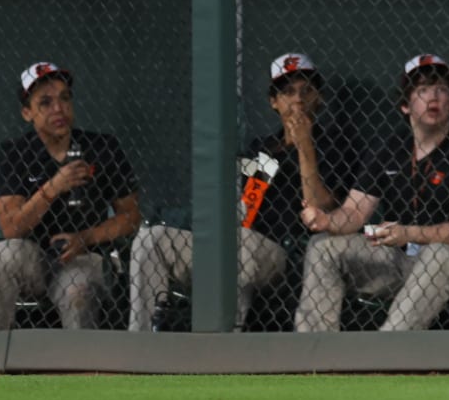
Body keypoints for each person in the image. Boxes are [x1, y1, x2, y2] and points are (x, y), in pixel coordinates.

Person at [127, 53, 341, 331]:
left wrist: (305, 147)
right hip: (233, 243)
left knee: (243, 244)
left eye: (306, 91)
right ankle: (142, 341)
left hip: (286, 255)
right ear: (274, 102)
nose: (298, 99)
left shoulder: (336, 145)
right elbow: (243, 209)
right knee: (150, 239)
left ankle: (224, 341)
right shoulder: (261, 148)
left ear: (319, 98)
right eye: (288, 92)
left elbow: (321, 207)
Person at [296, 55, 449, 333]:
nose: (432, 98)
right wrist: (326, 221)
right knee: (322, 246)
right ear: (405, 105)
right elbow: (354, 212)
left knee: (439, 255)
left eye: (441, 90)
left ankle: (389, 346)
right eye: (422, 91)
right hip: (397, 258)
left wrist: (408, 233)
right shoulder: (389, 148)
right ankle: (313, 348)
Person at [0, 62, 140, 331]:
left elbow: (131, 216)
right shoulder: (14, 152)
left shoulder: (102, 146)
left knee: (76, 290)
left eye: (64, 98)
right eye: (45, 102)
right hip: (33, 257)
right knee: (0, 256)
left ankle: (80, 366)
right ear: (27, 112)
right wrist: (54, 187)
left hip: (83, 255)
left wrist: (85, 238)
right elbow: (12, 227)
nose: (58, 108)